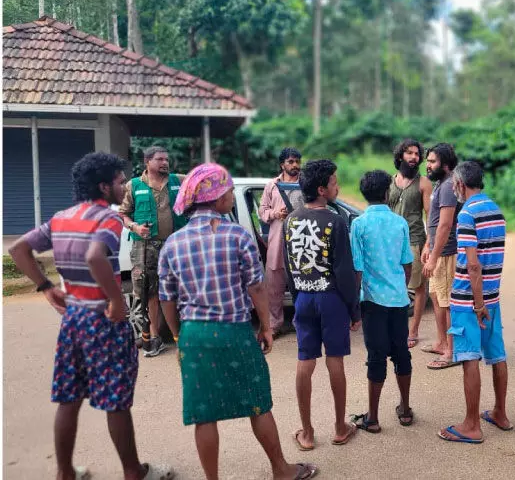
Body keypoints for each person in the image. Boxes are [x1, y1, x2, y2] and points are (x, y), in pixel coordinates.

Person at [9, 152, 175, 480]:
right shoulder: (108, 218)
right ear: (103, 186)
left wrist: (46, 286)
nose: (124, 187)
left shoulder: (61, 217)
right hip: (104, 320)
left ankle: (65, 472)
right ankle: (133, 471)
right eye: (119, 182)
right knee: (116, 401)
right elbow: (95, 256)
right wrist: (116, 301)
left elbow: (18, 249)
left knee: (69, 398)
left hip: (73, 320)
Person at [157, 163, 317, 480]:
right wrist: (267, 327)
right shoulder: (237, 236)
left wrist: (178, 336)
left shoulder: (172, 243)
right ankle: (281, 471)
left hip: (195, 336)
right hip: (235, 332)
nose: (231, 195)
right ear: (218, 198)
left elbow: (166, 299)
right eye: (229, 191)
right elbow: (256, 287)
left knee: (204, 415)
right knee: (257, 402)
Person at [284, 159, 360, 451]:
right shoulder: (335, 221)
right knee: (335, 360)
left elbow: (290, 266)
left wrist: (298, 298)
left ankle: (307, 432)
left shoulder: (291, 220)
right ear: (321, 189)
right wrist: (353, 310)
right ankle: (340, 428)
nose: (337, 186)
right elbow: (344, 272)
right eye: (334, 182)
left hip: (303, 298)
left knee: (305, 361)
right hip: (331, 299)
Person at [437, 161, 511, 444]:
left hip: (470, 301)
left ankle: (471, 425)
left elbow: (473, 265)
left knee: (469, 357)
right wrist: (485, 302)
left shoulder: (467, 214)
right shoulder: (496, 210)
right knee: (497, 355)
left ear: (459, 184)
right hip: (492, 297)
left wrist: (478, 305)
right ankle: (500, 412)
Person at [349, 170, 416, 433]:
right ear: (388, 193)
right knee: (401, 353)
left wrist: (354, 305)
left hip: (372, 301)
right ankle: (405, 409)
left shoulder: (359, 224)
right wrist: (400, 286)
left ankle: (373, 418)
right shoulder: (400, 223)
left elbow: (357, 268)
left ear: (365, 195)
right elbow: (407, 263)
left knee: (376, 357)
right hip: (398, 300)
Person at [120, 145, 187, 357]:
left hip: (176, 245)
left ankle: (184, 334)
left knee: (181, 287)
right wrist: (135, 227)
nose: (165, 162)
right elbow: (123, 214)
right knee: (149, 291)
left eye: (166, 159)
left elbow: (200, 183)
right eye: (160, 159)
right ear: (147, 162)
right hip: (145, 246)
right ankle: (154, 337)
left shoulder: (178, 180)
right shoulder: (134, 185)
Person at [387, 139, 433, 349]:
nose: (414, 157)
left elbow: (430, 216)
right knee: (393, 285)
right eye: (409, 153)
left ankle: (413, 331)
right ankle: (394, 329)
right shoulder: (390, 181)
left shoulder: (424, 183)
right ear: (400, 156)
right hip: (390, 242)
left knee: (418, 287)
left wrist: (429, 244)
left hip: (414, 240)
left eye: (417, 154)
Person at [421, 143, 461, 370]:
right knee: (436, 298)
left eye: (432, 161)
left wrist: (434, 257)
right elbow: (434, 222)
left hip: (446, 253)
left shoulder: (448, 186)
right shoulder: (440, 183)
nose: (428, 165)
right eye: (428, 161)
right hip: (437, 250)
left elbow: (445, 225)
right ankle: (441, 342)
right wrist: (428, 244)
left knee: (447, 304)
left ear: (445, 164)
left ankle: (451, 352)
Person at [259, 147, 303, 335]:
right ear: (282, 164)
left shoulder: (305, 184)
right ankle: (274, 325)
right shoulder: (272, 185)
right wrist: (276, 214)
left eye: (297, 161)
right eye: (291, 162)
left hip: (300, 242)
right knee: (274, 288)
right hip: (277, 242)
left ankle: (301, 324)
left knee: (301, 285)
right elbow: (262, 211)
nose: (295, 165)